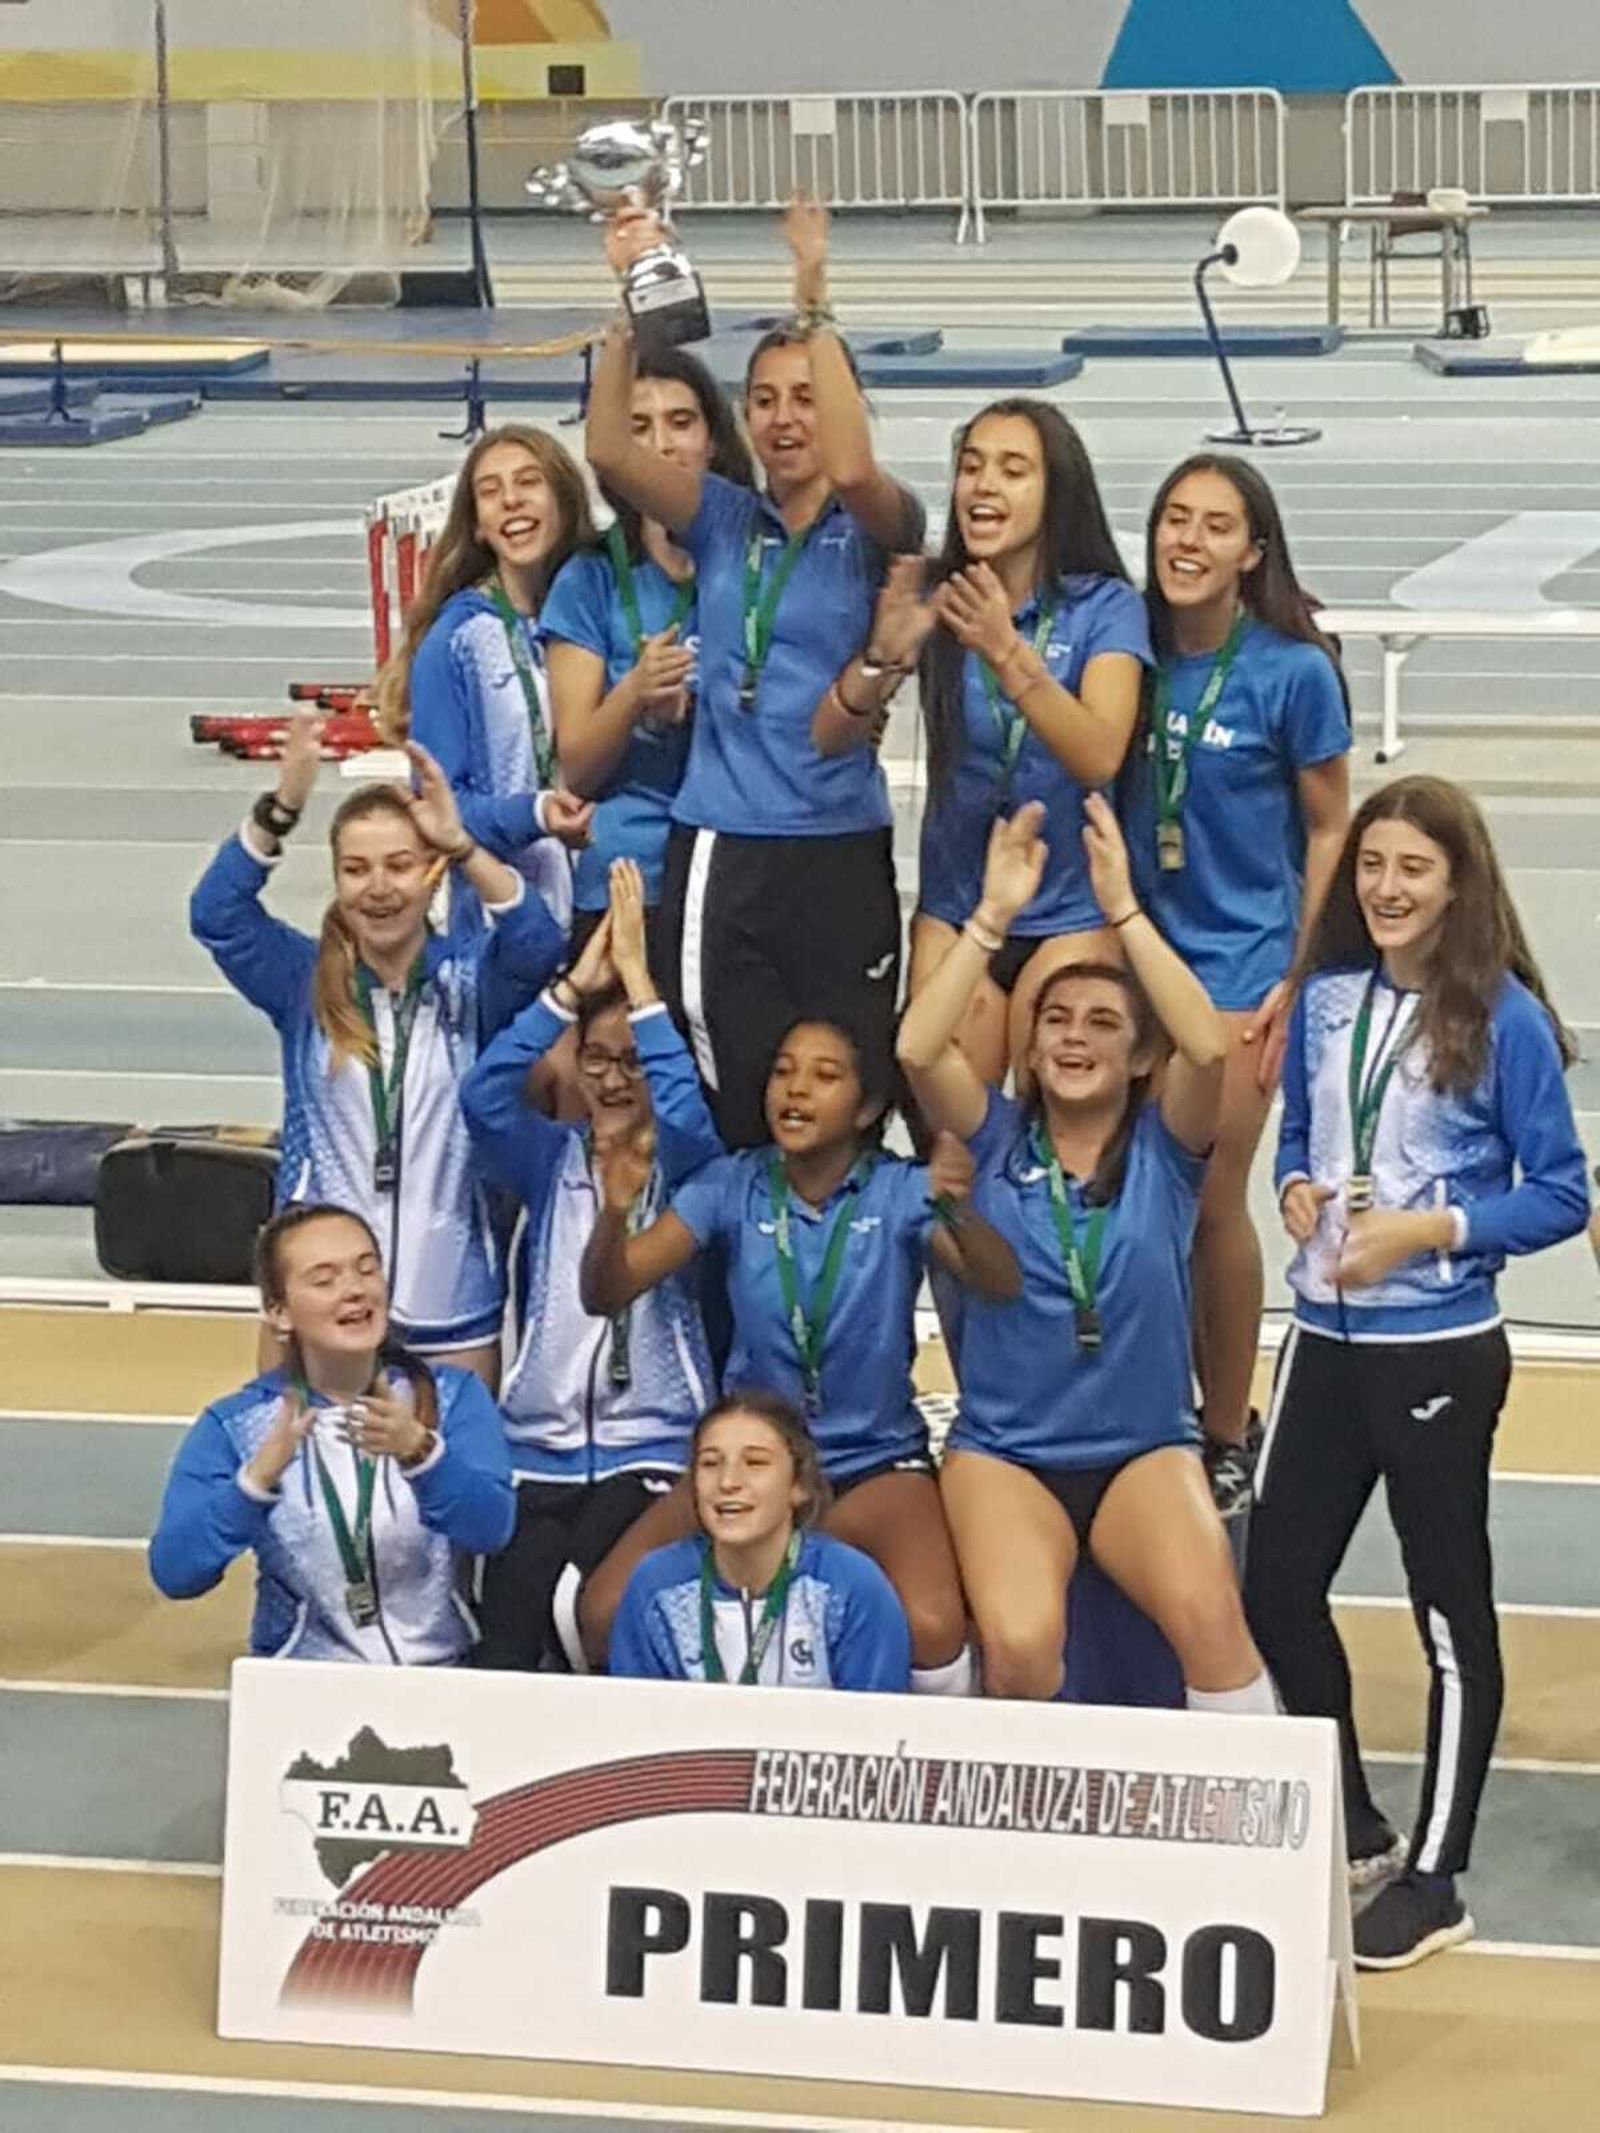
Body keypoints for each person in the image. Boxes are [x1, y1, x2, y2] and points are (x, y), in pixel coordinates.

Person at [1243, 776, 1588, 1969]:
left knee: (1446, 1617)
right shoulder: (1329, 999)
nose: (1386, 888)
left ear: (1456, 884)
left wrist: (1428, 1230)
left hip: (1437, 1350)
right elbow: (1302, 1137)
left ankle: (1437, 1876)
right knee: (1272, 1588)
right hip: (1320, 1346)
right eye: (1372, 865)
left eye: (1412, 870)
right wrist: (1294, 1187)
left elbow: (1558, 1194)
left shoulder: (1504, 1021)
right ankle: (1354, 1823)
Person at [897, 797, 1276, 1717]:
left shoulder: (1167, 1148)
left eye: (1103, 1022)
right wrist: (990, 917)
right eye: (1056, 1019)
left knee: (1215, 1626)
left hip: (1143, 1450)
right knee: (1023, 1647)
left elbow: (1205, 1039)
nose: (1073, 1036)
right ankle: (1027, 1855)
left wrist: (1125, 911)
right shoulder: (990, 1137)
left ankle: (1239, 1855)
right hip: (1010, 1456)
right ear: (1028, 1046)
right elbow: (916, 1044)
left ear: (1138, 1053)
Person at [587, 194, 923, 1148]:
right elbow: (610, 449)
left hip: (840, 848)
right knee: (739, 1103)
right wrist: (633, 302)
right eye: (764, 399)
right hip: (724, 852)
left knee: (850, 1096)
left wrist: (812, 298)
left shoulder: (879, 527)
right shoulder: (726, 517)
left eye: (807, 396)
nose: (782, 418)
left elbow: (856, 470)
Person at [580, 1016, 1021, 1694]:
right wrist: (613, 1215)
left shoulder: (900, 1188)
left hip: (874, 1460)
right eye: (784, 1070)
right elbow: (608, 1289)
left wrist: (957, 1208)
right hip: (751, 1459)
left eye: (824, 1074)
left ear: (869, 1105)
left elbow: (1000, 1283)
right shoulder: (732, 1185)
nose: (796, 1089)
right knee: (604, 1610)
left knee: (933, 1626)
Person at [189, 712, 564, 1383]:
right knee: (303, 1476)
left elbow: (537, 941)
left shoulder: (473, 979)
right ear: (336, 879)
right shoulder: (302, 983)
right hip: (320, 1294)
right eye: (356, 869)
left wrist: (465, 845)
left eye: (400, 865)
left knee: (450, 1477)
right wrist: (282, 811)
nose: (379, 887)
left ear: (432, 875)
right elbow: (216, 913)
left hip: (453, 1293)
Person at [1122, 453, 1351, 1517]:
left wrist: (1298, 977)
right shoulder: (1126, 650)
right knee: (1115, 1204)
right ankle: (1131, 1412)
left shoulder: (1290, 675)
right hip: (1125, 968)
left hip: (1238, 977)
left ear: (1252, 552)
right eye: (1175, 519)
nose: (1189, 541)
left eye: (1216, 526)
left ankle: (1223, 1428)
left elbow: (1327, 828)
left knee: (1208, 1200)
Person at [458, 858, 722, 1672]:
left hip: (652, 1450)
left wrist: (642, 986)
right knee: (505, 1629)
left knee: (584, 1614)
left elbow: (682, 1106)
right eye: (595, 1060)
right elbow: (484, 1095)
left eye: (629, 1061)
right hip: (535, 1449)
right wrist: (572, 991)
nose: (610, 1079)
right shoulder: (546, 1159)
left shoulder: (692, 1168)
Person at [149, 1204, 515, 1663]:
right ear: (279, 1312)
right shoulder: (235, 1427)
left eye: (367, 1269)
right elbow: (175, 1573)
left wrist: (422, 1454)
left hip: (440, 1679)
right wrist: (254, 1483)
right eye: (325, 1280)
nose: (354, 1291)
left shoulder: (448, 1398)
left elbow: (493, 1528)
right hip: (303, 1686)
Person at [910, 398, 1150, 1085]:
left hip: (1068, 908)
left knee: (1055, 1137)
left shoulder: (1106, 607)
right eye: (971, 467)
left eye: (1013, 470)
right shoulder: (937, 597)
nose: (983, 486)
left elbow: (1099, 751)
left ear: (1057, 494)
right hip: (957, 904)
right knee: (952, 1149)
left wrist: (1006, 648)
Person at [543, 347, 755, 964]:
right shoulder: (591, 579)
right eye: (638, 427)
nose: (660, 444)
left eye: (681, 422)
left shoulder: (751, 557)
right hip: (627, 879)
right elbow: (578, 767)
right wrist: (634, 694)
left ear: (713, 439)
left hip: (734, 869)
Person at [376, 423, 597, 936]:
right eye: (491, 492)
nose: (512, 502)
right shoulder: (458, 641)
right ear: (476, 524)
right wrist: (536, 813)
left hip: (608, 897)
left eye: (528, 482)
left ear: (564, 498)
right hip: (506, 924)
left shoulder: (598, 610)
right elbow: (442, 810)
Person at [609, 1392, 912, 1691]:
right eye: (711, 1463)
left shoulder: (850, 1586)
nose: (728, 1482)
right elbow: (637, 1720)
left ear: (799, 1485)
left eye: (755, 1463)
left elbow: (875, 1726)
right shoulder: (657, 1586)